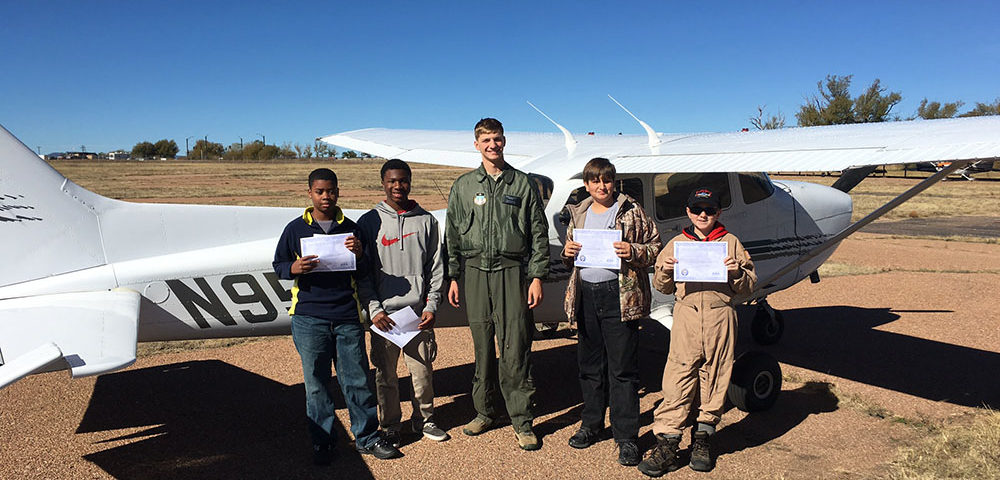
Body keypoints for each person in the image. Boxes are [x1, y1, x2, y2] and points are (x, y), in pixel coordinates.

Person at [272, 167, 403, 465]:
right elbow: (278, 263)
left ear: (338, 191)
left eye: (331, 190)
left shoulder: (352, 228)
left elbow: (365, 270)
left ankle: (367, 438)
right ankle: (323, 442)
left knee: (356, 380)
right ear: (310, 194)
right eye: (320, 191)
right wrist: (292, 269)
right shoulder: (295, 228)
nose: (326, 196)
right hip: (309, 317)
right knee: (317, 383)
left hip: (346, 315)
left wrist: (359, 254)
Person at [445, 117, 549, 450]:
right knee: (482, 348)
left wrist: (536, 276)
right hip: (474, 273)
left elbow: (538, 233)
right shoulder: (463, 186)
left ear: (505, 142)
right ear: (476, 144)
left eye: (498, 139)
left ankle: (521, 419)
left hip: (511, 272)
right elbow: (452, 234)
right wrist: (453, 275)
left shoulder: (522, 184)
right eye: (486, 140)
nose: (493, 145)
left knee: (515, 347)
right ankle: (485, 412)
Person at [637, 187, 756, 476]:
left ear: (718, 212)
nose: (704, 215)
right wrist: (664, 269)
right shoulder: (678, 242)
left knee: (715, 376)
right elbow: (663, 287)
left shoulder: (730, 243)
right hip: (687, 316)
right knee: (677, 376)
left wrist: (736, 272)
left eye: (710, 210)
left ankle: (703, 437)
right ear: (688, 212)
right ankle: (668, 441)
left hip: (720, 315)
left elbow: (750, 285)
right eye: (697, 210)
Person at [560, 158, 661, 467]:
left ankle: (627, 436)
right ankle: (591, 424)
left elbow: (656, 246)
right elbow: (570, 254)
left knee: (622, 369)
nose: (601, 186)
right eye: (595, 181)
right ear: (587, 184)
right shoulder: (579, 212)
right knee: (589, 365)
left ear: (614, 182)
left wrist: (634, 251)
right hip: (587, 296)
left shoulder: (631, 211)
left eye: (606, 180)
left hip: (620, 296)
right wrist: (567, 252)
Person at [357, 159, 449, 447]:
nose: (398, 186)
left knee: (422, 372)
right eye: (392, 181)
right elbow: (363, 273)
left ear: (410, 182)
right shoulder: (369, 221)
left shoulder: (427, 221)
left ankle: (425, 419)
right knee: (386, 377)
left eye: (403, 181)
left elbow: (436, 268)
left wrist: (431, 305)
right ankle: (390, 425)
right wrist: (374, 310)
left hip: (416, 314)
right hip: (384, 316)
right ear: (383, 183)